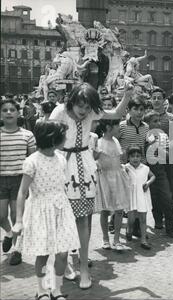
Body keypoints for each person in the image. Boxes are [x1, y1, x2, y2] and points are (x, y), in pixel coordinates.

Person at [49, 82, 133, 289]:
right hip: (62, 166)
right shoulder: (60, 111)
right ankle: (65, 262)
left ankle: (84, 267)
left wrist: (127, 95)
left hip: (85, 168)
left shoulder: (92, 113)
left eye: (88, 107)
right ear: (72, 100)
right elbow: (45, 134)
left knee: (84, 220)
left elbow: (115, 113)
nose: (84, 111)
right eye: (80, 105)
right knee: (62, 218)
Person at [12, 121, 80, 300]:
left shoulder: (61, 158)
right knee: (42, 254)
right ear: (52, 139)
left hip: (61, 210)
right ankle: (42, 290)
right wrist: (19, 220)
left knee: (63, 253)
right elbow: (22, 191)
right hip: (40, 212)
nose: (66, 138)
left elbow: (62, 186)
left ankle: (56, 289)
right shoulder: (32, 161)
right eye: (63, 135)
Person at [0, 99, 36, 266]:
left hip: (19, 180)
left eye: (12, 109)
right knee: (1, 217)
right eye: (5, 110)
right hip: (1, 179)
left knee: (16, 216)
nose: (8, 112)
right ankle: (8, 233)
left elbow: (33, 158)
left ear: (18, 113)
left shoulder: (27, 135)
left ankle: (17, 249)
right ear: (1, 114)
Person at [94, 119, 130, 252]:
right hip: (104, 177)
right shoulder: (99, 143)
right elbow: (94, 158)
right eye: (117, 126)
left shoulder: (116, 141)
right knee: (105, 209)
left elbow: (118, 159)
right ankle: (105, 239)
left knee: (119, 209)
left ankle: (116, 240)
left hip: (117, 177)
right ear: (109, 127)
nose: (119, 128)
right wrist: (97, 164)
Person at [117, 97, 149, 239]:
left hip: (139, 167)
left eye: (141, 109)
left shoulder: (146, 127)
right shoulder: (122, 125)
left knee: (138, 197)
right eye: (135, 109)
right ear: (128, 110)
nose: (138, 112)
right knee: (123, 197)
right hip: (124, 167)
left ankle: (136, 228)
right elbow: (116, 143)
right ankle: (115, 221)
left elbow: (145, 145)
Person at [144, 110, 173, 238]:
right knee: (154, 198)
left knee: (167, 198)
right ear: (147, 124)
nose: (158, 124)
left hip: (160, 170)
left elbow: (169, 155)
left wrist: (158, 147)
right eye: (154, 121)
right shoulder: (144, 135)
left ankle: (170, 227)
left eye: (159, 121)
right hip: (146, 171)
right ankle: (158, 221)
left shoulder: (163, 137)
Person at [124, 146, 155, 250]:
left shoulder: (145, 168)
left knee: (143, 218)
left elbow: (153, 176)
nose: (135, 159)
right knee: (131, 218)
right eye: (132, 156)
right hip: (131, 195)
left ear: (141, 157)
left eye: (138, 156)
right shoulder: (126, 167)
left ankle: (143, 240)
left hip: (142, 195)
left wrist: (148, 182)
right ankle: (129, 229)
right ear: (128, 157)